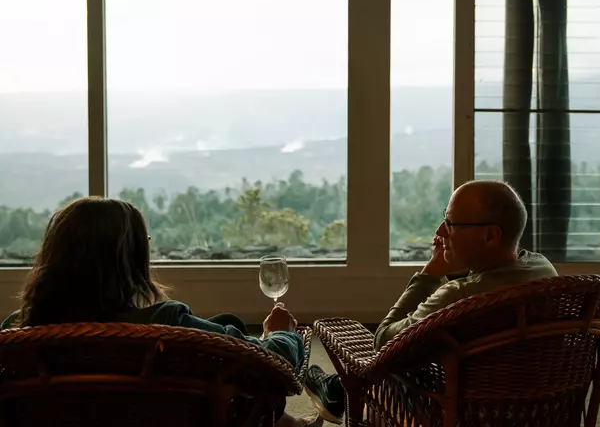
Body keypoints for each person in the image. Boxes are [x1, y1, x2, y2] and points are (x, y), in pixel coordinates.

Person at [0, 197, 319, 427]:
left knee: (225, 327)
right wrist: (280, 333)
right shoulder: (170, 326)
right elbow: (274, 366)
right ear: (130, 260)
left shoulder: (18, 334)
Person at [303, 180, 558, 424]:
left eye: (450, 223)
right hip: (536, 407)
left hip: (457, 413)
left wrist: (429, 274)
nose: (439, 231)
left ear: (491, 235)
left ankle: (336, 390)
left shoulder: (457, 296)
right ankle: (335, 388)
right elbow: (489, 281)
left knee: (389, 363)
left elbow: (384, 340)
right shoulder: (543, 270)